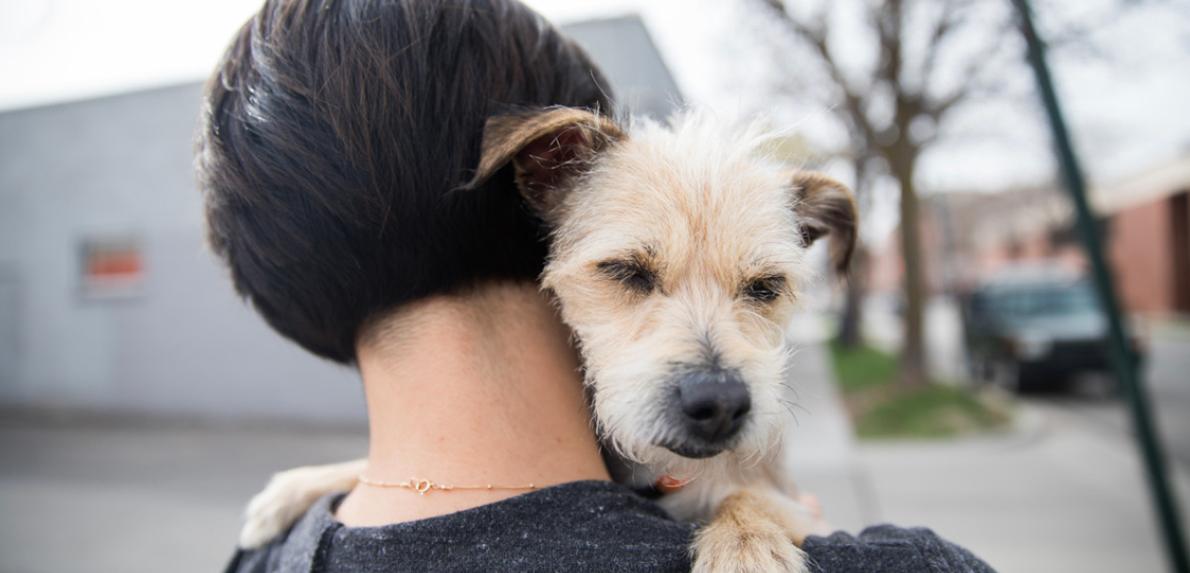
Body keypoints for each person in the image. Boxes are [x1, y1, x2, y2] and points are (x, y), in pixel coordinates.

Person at [197, 0, 993, 571]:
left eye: (761, 289)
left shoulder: (261, 554)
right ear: (532, 193)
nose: (715, 375)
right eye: (630, 273)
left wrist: (751, 514)